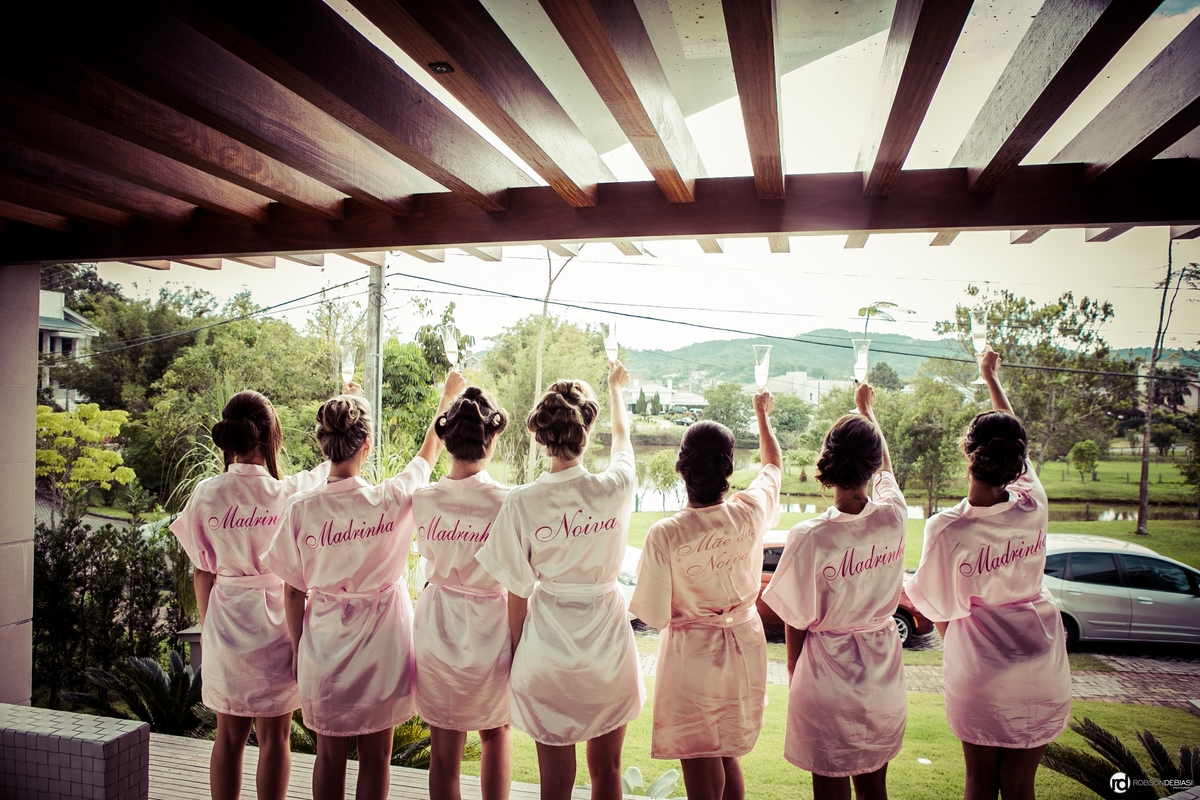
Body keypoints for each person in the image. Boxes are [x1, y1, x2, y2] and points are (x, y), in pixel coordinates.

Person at [266, 372, 465, 800]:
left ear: (323, 444)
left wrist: (300, 649)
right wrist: (447, 397)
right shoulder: (391, 498)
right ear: (367, 446)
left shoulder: (301, 509)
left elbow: (293, 591)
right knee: (376, 759)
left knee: (328, 757)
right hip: (382, 647)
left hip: (323, 646)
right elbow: (427, 455)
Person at [905, 350, 1070, 800]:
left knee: (979, 781)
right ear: (1017, 459)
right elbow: (1015, 436)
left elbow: (937, 608)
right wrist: (991, 378)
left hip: (979, 664)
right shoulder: (1033, 501)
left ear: (967, 451)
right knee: (1020, 785)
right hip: (1039, 659)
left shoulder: (948, 528)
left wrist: (963, 643)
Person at [476, 362, 644, 800]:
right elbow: (623, 439)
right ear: (585, 431)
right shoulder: (616, 486)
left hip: (546, 654)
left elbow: (516, 590)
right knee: (608, 770)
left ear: (542, 435)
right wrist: (616, 390)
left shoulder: (522, 501)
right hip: (607, 653)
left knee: (554, 783)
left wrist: (518, 651)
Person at [169, 390, 331, 800]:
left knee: (228, 737)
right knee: (276, 738)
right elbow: (332, 465)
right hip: (278, 627)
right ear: (270, 436)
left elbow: (202, 572)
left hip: (226, 622)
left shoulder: (207, 493)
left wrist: (209, 628)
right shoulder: (288, 493)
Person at [628, 391, 782, 800]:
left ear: (681, 468)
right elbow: (773, 466)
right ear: (728, 467)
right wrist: (761, 414)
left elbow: (654, 615)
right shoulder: (750, 510)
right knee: (728, 753)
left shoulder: (666, 533)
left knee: (698, 755)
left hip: (692, 654)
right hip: (744, 647)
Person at [761, 382, 907, 800]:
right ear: (871, 466)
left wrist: (794, 671)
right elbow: (887, 471)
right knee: (875, 789)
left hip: (825, 676)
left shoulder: (810, 535)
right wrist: (867, 411)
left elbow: (795, 618)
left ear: (828, 462)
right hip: (883, 674)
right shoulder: (894, 516)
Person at [412, 386, 513, 800]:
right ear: (493, 437)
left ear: (447, 438)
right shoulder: (508, 501)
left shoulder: (423, 498)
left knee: (444, 747)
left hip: (437, 624)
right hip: (492, 626)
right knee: (496, 731)